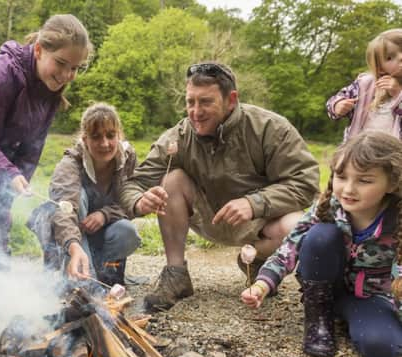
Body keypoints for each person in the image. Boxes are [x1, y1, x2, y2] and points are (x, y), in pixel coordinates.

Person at [120, 62, 320, 312]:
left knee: (299, 226)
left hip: (261, 222)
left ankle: (258, 261)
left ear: (231, 99)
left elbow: (306, 182)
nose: (195, 111)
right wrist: (139, 201)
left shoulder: (270, 128)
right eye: (190, 102)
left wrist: (253, 203)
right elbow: (135, 183)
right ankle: (176, 274)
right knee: (172, 179)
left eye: (205, 102)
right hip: (208, 217)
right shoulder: (180, 136)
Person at [0, 14, 92, 278]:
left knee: (1, 212)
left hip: (0, 151)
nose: (67, 75)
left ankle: (0, 276)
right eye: (61, 63)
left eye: (75, 68)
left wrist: (18, 178)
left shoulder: (50, 92)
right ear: (39, 50)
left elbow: (33, 146)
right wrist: (7, 172)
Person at [242, 131, 402, 357]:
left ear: (392, 182)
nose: (348, 189)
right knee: (320, 235)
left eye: (364, 180)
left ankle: (353, 317)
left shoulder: (396, 218)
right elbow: (290, 247)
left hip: (372, 298)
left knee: (381, 348)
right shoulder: (328, 207)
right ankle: (318, 316)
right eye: (341, 177)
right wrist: (262, 285)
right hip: (326, 288)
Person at [28, 103, 141, 285]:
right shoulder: (70, 164)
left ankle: (100, 271)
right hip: (70, 234)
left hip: (103, 231)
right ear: (85, 139)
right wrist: (73, 245)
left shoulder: (127, 158)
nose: (105, 144)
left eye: (110, 136)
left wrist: (104, 215)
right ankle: (81, 279)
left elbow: (130, 200)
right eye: (96, 137)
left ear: (119, 135)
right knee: (77, 199)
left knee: (127, 232)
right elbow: (63, 213)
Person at [326, 29, 402, 142]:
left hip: (395, 155)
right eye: (390, 57)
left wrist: (398, 94)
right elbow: (334, 100)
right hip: (361, 151)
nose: (401, 57)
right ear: (380, 68)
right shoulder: (365, 84)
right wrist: (338, 105)